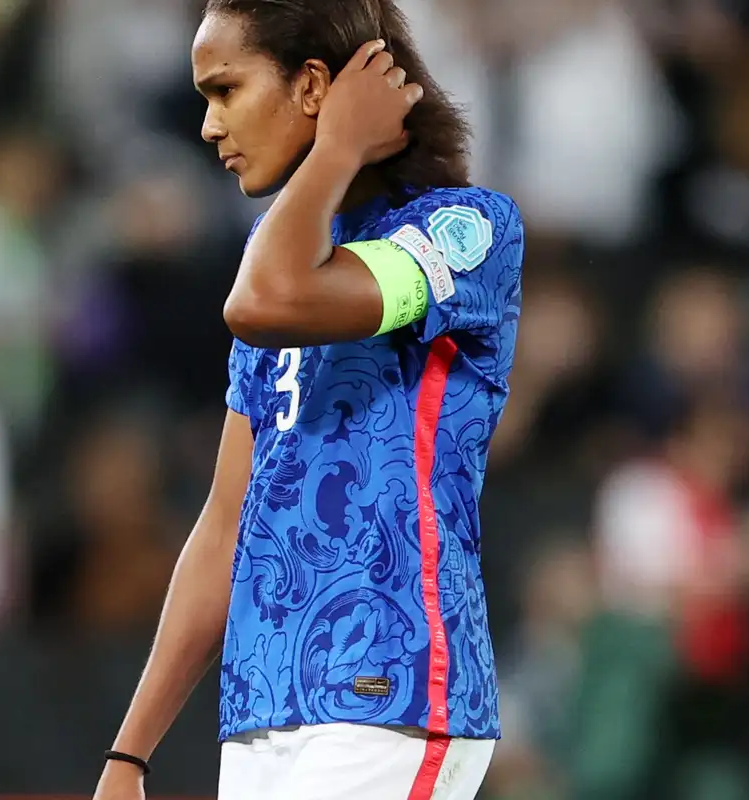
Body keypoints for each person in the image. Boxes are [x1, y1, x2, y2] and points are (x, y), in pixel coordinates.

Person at [93, 1, 524, 798]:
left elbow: (265, 304)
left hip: (389, 687)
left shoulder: (462, 232)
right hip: (264, 707)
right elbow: (226, 523)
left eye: (225, 90)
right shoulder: (274, 255)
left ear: (315, 86)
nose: (208, 126)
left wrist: (335, 150)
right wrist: (131, 752)